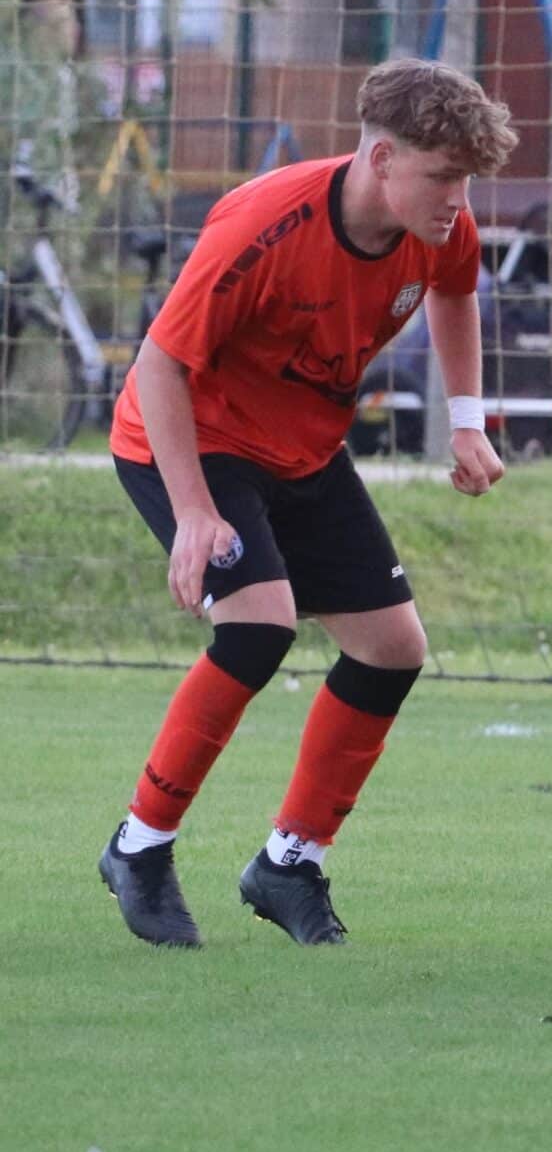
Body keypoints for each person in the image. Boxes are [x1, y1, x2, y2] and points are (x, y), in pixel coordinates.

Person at [97, 58, 518, 948]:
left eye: (467, 179)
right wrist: (195, 510)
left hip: (303, 449)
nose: (457, 198)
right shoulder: (264, 223)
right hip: (191, 436)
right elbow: (159, 365)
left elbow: (456, 292)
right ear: (380, 158)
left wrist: (467, 421)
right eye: (443, 174)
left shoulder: (441, 224)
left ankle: (290, 861)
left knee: (393, 648)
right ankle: (140, 844)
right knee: (259, 626)